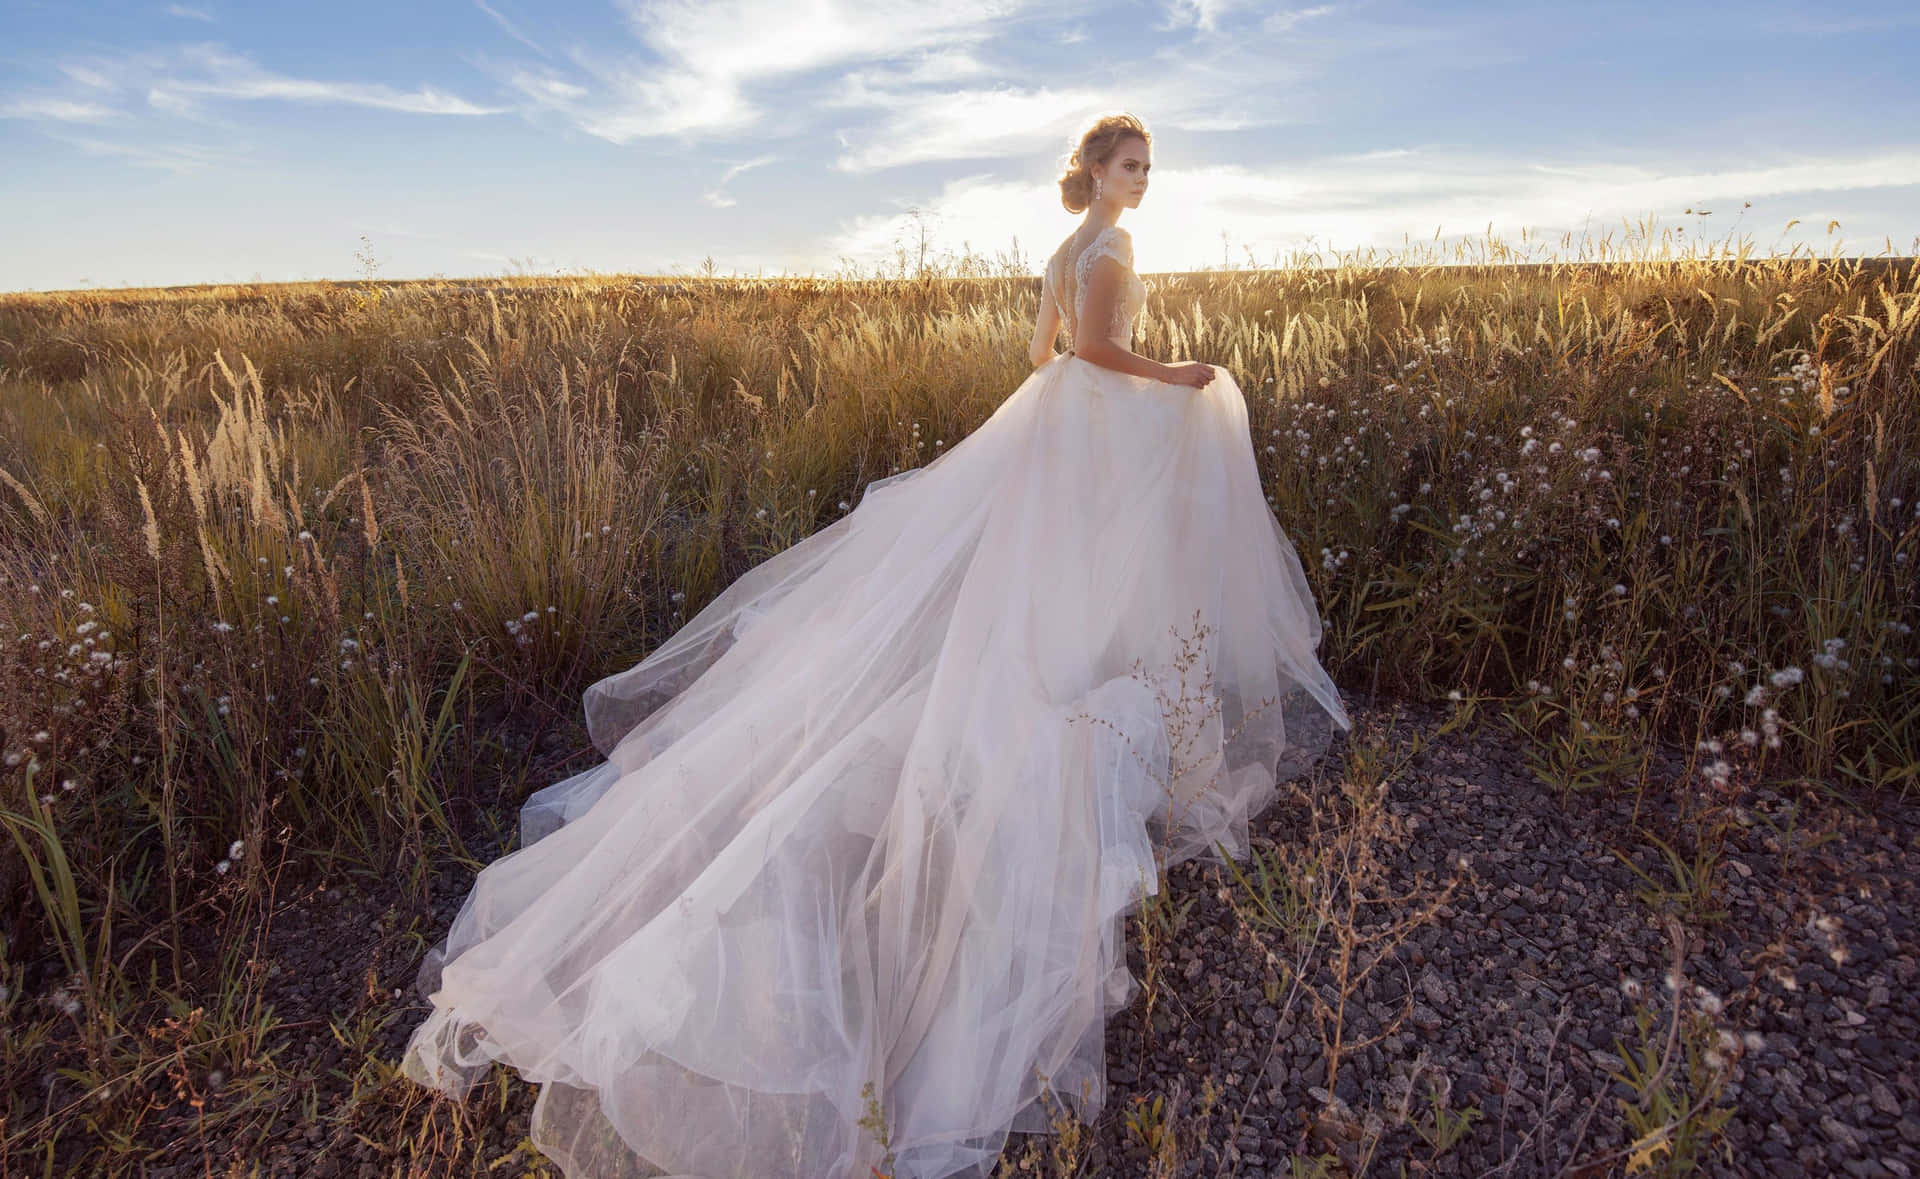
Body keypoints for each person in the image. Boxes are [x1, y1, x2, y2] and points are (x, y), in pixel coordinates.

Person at [400, 111, 1351, 1179]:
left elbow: (1040, 357)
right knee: (1071, 589)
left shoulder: (1067, 246)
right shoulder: (1114, 246)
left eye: (1147, 167)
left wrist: (1097, 385)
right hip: (1078, 431)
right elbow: (1088, 351)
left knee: (1025, 595)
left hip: (1048, 427)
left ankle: (1035, 691)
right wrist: (1177, 375)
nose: (1142, 181)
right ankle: (1044, 713)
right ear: (1093, 169)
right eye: (1129, 164)